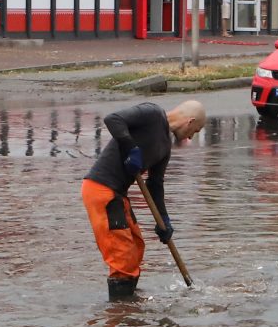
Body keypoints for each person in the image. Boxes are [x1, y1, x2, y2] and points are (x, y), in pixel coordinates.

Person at [81, 98, 206, 301]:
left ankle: (130, 310)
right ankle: (119, 318)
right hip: (101, 189)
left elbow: (155, 184)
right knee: (122, 257)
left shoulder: (165, 147)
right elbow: (113, 119)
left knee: (136, 247)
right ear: (189, 121)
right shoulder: (152, 113)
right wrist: (131, 148)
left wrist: (163, 220)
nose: (191, 136)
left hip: (118, 194)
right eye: (195, 131)